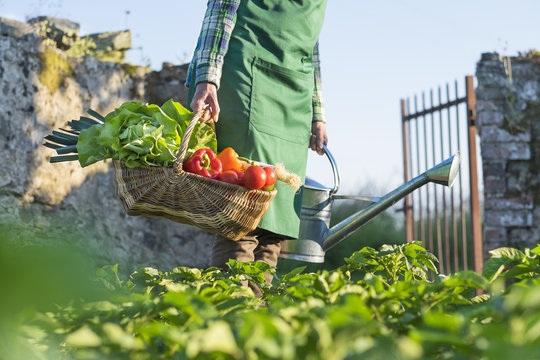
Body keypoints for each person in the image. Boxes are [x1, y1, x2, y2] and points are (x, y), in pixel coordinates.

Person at [186, 0, 328, 296]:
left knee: (276, 227)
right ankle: (232, 316)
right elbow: (221, 8)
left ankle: (256, 323)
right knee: (241, 217)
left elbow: (311, 43)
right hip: (247, 74)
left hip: (295, 92)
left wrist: (318, 111)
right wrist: (207, 78)